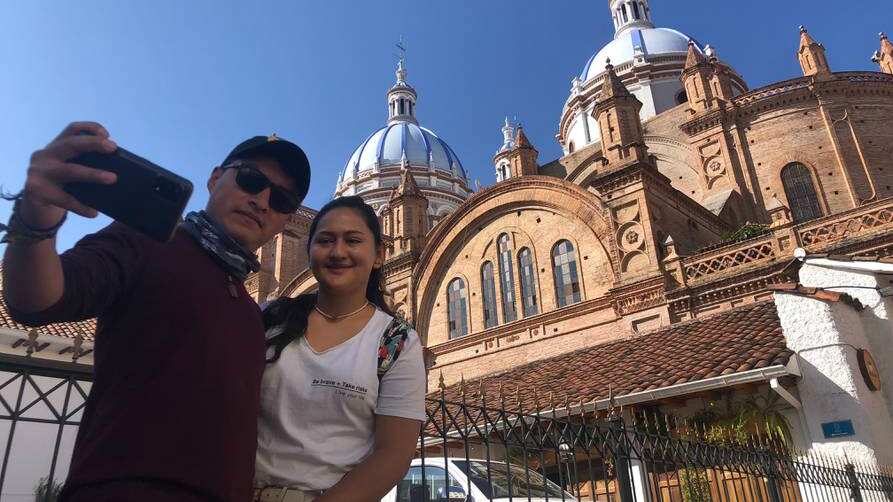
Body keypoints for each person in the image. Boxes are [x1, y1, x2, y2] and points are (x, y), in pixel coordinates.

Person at [1, 122, 311, 502]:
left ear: (286, 222)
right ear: (215, 179)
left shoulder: (251, 313)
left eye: (282, 201)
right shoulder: (147, 242)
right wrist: (34, 220)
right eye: (249, 179)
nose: (262, 201)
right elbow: (38, 298)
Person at [256, 196, 426, 502]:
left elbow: (394, 454)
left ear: (379, 254)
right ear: (308, 251)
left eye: (353, 240)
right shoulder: (269, 317)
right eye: (325, 240)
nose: (338, 252)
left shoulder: (397, 341)